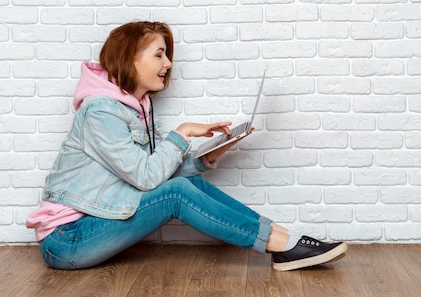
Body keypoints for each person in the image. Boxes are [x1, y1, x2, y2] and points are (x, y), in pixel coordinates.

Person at [26, 21, 347, 271]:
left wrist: (208, 156)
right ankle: (283, 244)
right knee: (177, 194)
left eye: (167, 54)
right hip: (68, 240)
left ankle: (283, 239)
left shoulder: (135, 107)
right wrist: (180, 134)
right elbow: (147, 179)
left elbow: (156, 173)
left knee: (185, 182)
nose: (167, 63)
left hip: (95, 224)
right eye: (158, 54)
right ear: (130, 58)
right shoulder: (101, 112)